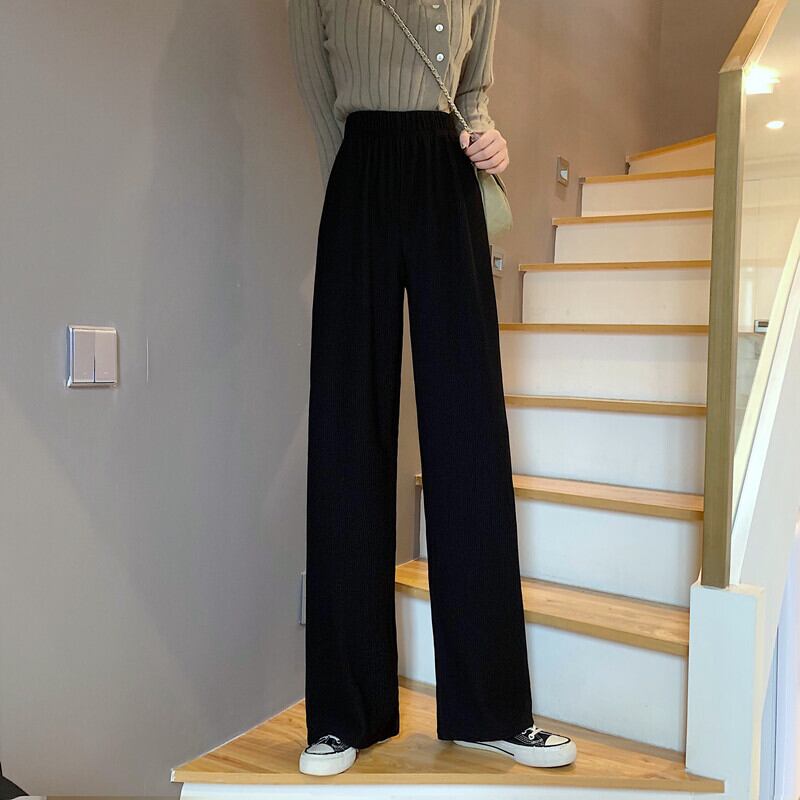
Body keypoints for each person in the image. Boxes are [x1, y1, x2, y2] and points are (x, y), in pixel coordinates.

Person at [287, 0, 577, 777]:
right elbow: (316, 85)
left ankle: (492, 711)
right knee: (348, 432)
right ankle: (344, 715)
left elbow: (472, 90)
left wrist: (488, 136)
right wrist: (352, 182)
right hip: (360, 172)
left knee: (469, 432)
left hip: (450, 178)